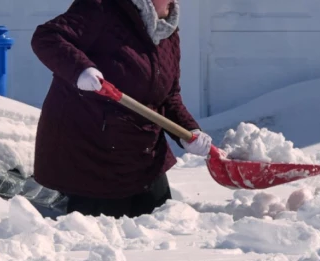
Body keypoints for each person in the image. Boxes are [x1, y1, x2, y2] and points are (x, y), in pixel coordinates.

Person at [31, 0, 213, 219]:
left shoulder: (168, 33)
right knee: (101, 242)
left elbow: (168, 96)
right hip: (92, 156)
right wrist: (81, 70)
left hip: (145, 159)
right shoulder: (102, 8)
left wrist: (189, 132)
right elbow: (48, 37)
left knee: (160, 233)